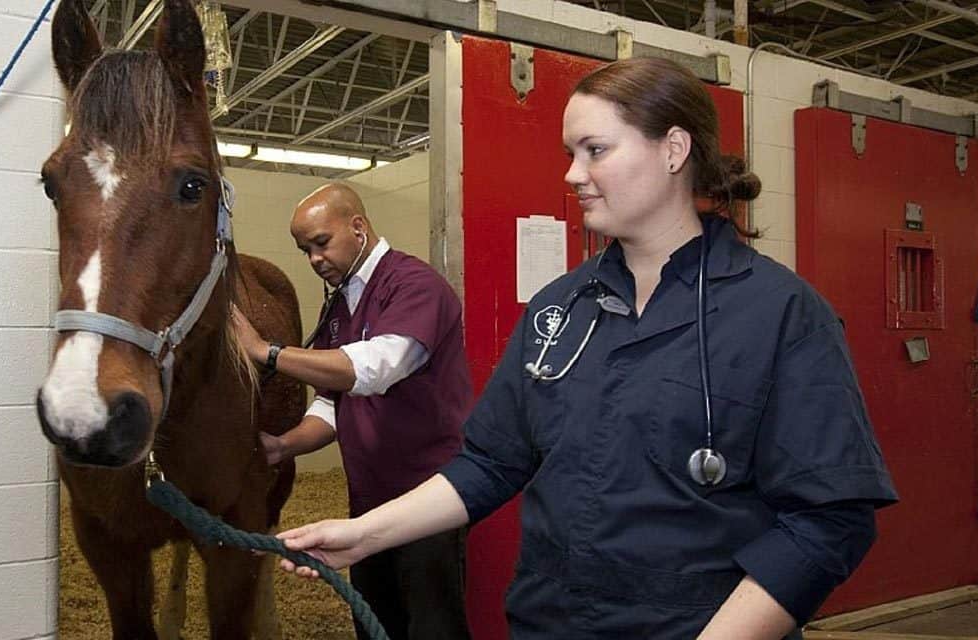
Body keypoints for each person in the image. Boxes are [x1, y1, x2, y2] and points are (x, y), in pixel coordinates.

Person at [272, 58, 898, 639]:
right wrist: (361, 535)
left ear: (674, 150)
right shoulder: (558, 309)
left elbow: (829, 520)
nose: (572, 174)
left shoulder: (780, 312)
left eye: (595, 150)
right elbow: (491, 464)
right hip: (552, 621)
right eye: (571, 153)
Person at [232, 183, 472, 640]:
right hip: (368, 501)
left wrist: (267, 352)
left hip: (428, 496)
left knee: (432, 624)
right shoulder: (341, 301)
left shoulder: (414, 285)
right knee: (375, 620)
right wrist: (282, 446)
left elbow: (375, 368)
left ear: (358, 228)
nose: (315, 260)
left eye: (321, 243)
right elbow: (332, 402)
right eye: (305, 251)